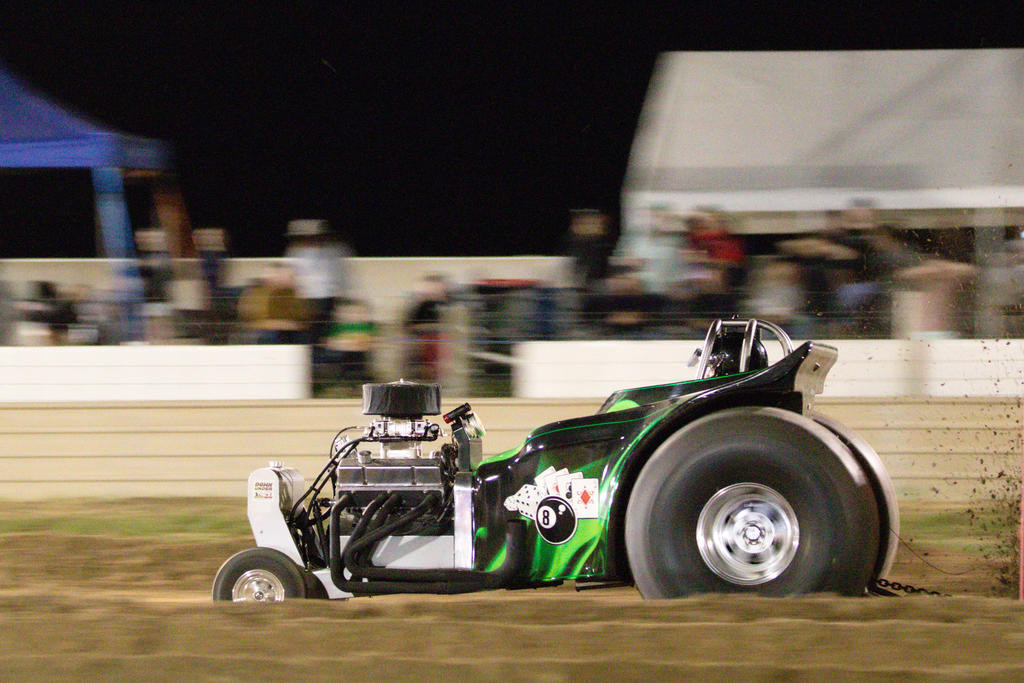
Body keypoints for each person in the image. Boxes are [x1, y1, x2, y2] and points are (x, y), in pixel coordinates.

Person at [284, 219, 353, 344]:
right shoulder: (294, 252)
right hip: (303, 299)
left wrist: (343, 294)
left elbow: (341, 275)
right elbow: (290, 276)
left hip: (326, 298)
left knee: (322, 333)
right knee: (306, 334)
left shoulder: (334, 251)